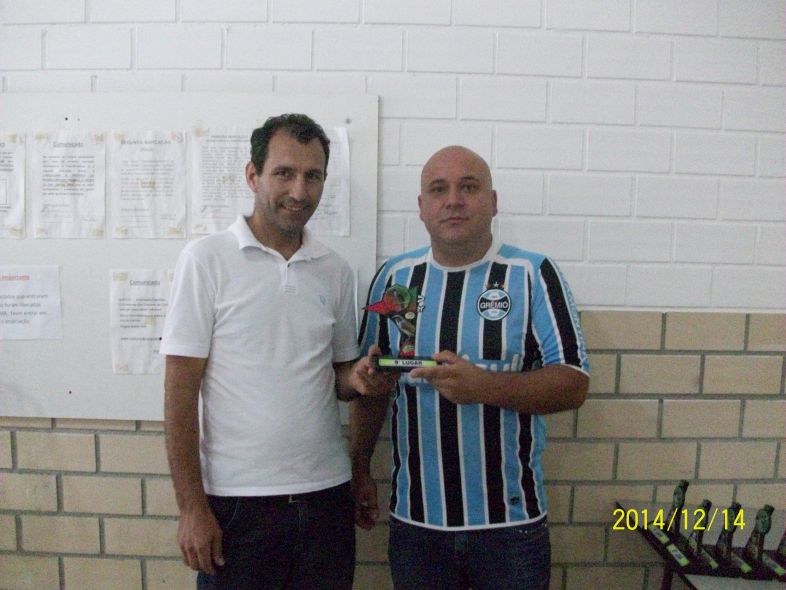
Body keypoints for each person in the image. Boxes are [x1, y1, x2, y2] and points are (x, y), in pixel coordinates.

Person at [161, 113, 396, 590]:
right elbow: (180, 393)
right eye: (284, 173)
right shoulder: (205, 261)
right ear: (253, 175)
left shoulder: (335, 270)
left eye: (313, 176)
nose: (299, 191)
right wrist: (191, 507)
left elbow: (337, 377)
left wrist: (358, 379)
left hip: (326, 500)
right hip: (237, 505)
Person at [349, 146, 590, 590]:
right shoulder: (394, 277)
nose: (453, 200)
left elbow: (573, 383)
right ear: (421, 207)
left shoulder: (533, 273)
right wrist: (360, 465)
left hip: (510, 529)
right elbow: (371, 387)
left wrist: (484, 387)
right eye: (438, 189)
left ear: (493, 202)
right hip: (416, 526)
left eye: (469, 187)